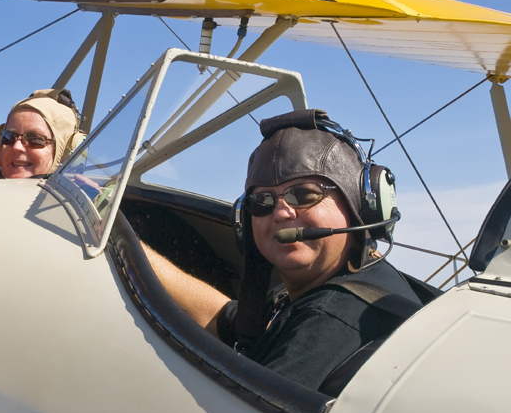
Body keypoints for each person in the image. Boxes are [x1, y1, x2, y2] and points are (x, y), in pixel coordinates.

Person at [143, 108, 429, 394]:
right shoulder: (327, 289)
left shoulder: (329, 318)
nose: (281, 212)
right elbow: (222, 318)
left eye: (304, 194)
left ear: (359, 207)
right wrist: (128, 245)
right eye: (262, 201)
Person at [0, 89, 84, 178]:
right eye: (9, 137)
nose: (17, 147)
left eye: (35, 139)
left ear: (66, 153)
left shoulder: (86, 194)